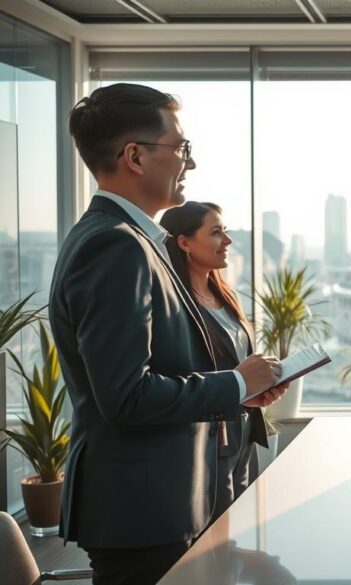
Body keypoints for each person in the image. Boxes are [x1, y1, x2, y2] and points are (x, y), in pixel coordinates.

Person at [50, 83, 287, 585]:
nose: (190, 164)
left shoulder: (135, 241)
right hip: (145, 514)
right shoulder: (115, 247)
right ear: (134, 157)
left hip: (160, 506)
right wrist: (236, 384)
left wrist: (242, 394)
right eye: (180, 149)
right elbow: (128, 396)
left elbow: (162, 371)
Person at [160, 201, 275, 522]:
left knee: (241, 526)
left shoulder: (227, 297)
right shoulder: (177, 307)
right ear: (184, 242)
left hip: (243, 433)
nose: (227, 241)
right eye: (216, 232)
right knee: (217, 536)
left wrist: (260, 387)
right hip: (209, 442)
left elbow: (236, 364)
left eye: (225, 231)